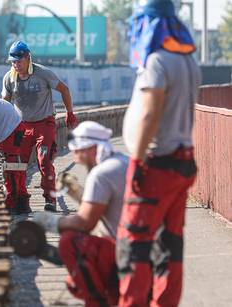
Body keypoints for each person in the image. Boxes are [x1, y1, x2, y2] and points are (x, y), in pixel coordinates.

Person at [118, 0, 200, 306]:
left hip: (155, 165)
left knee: (135, 245)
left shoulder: (157, 61)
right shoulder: (188, 59)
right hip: (182, 162)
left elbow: (151, 114)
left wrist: (136, 161)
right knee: (170, 244)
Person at [34, 121, 128, 307]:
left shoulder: (101, 173)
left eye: (78, 149)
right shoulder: (122, 161)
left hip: (122, 248)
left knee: (70, 241)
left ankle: (97, 301)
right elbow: (103, 207)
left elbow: (85, 222)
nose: (74, 153)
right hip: (139, 243)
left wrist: (47, 222)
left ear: (93, 147)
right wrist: (75, 191)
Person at [2, 40, 77, 213]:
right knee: (17, 164)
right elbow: (4, 103)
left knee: (44, 161)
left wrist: (69, 112)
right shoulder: (9, 78)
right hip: (21, 126)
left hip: (44, 124)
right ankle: (20, 199)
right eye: (13, 61)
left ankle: (50, 198)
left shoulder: (43, 73)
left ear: (28, 58)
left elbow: (64, 90)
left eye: (19, 61)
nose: (16, 65)